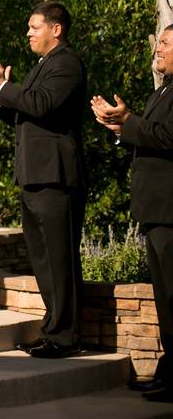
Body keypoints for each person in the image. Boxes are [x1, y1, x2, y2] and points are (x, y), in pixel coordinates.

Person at [0, 1, 86, 358]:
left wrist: (4, 85)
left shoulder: (66, 64)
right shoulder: (41, 67)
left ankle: (66, 336)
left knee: (60, 259)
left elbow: (43, 104)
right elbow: (23, 114)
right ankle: (53, 330)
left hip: (55, 176)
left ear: (56, 29)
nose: (29, 33)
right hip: (33, 176)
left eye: (35, 27)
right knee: (43, 259)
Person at [92, 24, 173, 402]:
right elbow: (151, 133)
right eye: (159, 41)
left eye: (167, 43)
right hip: (156, 210)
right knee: (164, 298)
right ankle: (167, 371)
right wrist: (120, 126)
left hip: (170, 211)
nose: (158, 48)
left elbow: (167, 137)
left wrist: (128, 122)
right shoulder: (163, 89)